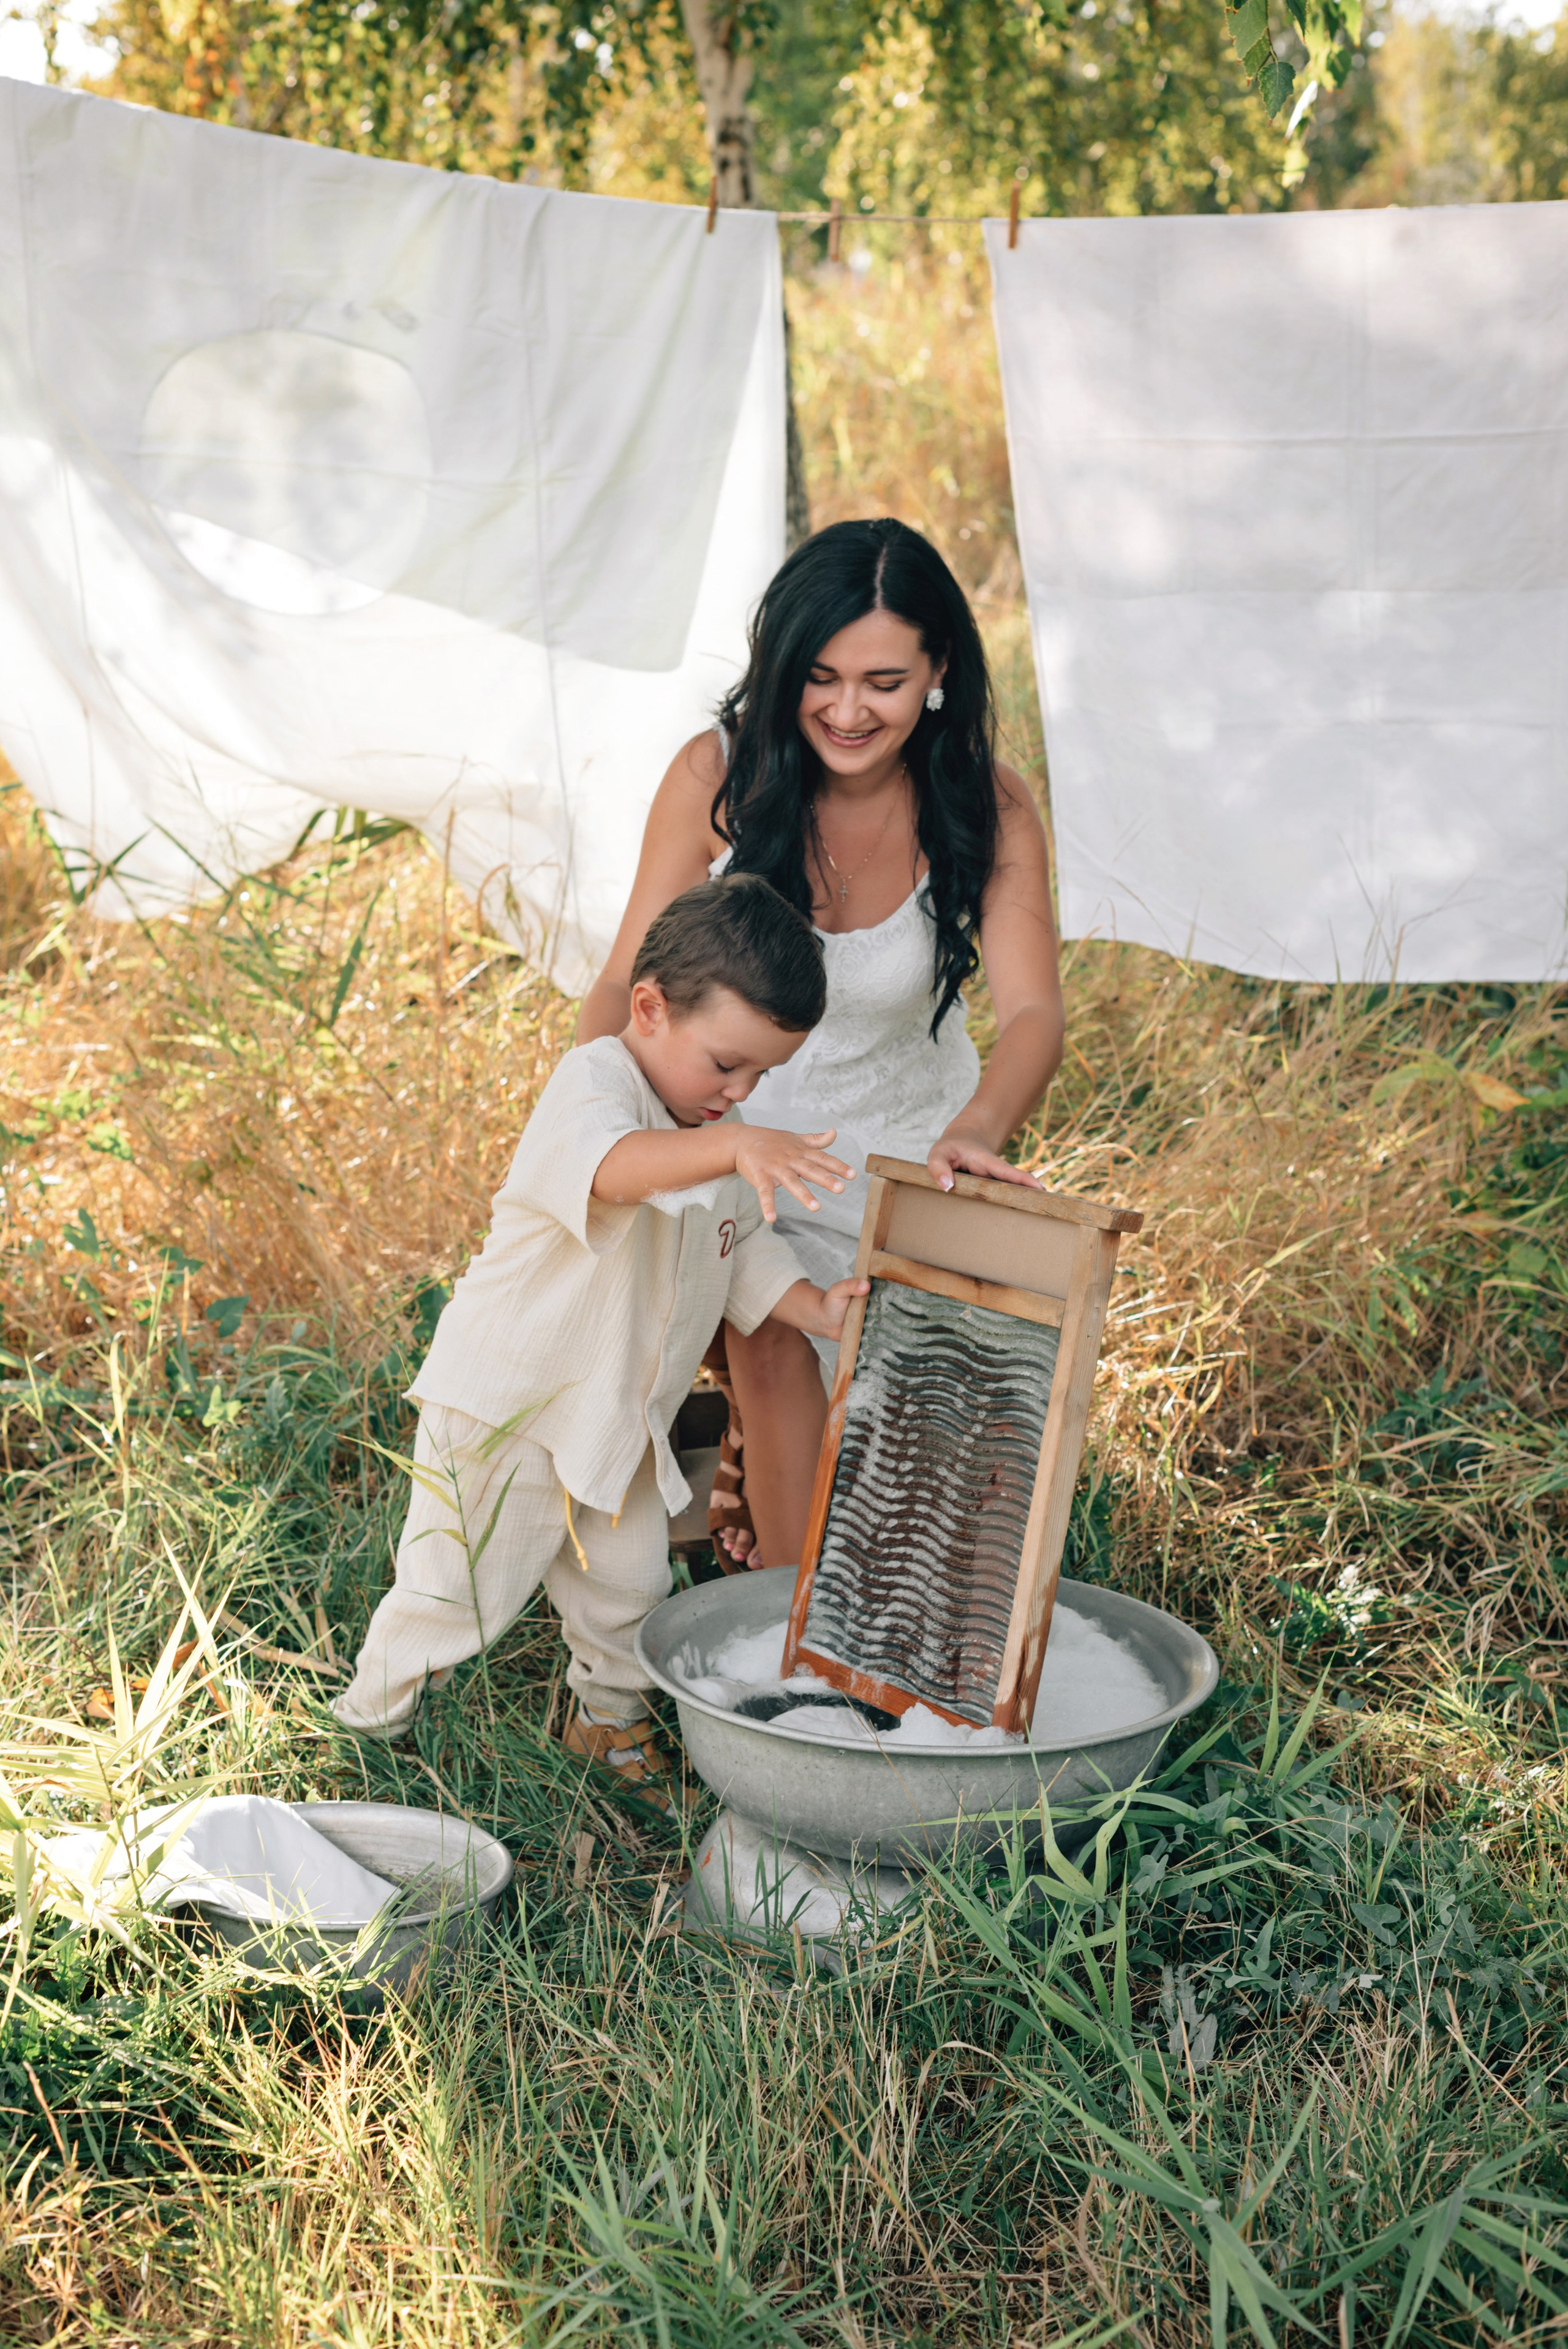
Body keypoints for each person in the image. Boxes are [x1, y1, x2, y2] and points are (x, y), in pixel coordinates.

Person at [577, 517, 1065, 1569]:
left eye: (884, 682)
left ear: (939, 670)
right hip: (737, 1143)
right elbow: (624, 981)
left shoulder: (985, 801)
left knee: (919, 1480)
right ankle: (789, 1623)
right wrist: (601, 1112)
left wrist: (979, 1131)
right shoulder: (717, 776)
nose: (847, 712)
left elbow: (1034, 1013)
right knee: (770, 1339)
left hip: (915, 1156)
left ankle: (762, 1473)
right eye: (820, 677)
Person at [332, 875, 868, 1801]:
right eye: (727, 1064)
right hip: (510, 1406)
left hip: (621, 1418)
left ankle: (607, 1724)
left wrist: (814, 1309)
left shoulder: (718, 1127)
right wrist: (733, 1147)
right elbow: (618, 1171)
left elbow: (740, 1250)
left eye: (760, 1077)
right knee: (456, 1588)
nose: (739, 1093)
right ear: (649, 1009)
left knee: (630, 1593)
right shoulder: (593, 1086)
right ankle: (373, 1729)